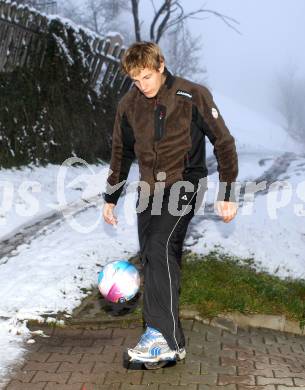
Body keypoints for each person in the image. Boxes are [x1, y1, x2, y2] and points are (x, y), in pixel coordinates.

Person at [102, 41, 238, 364]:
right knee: (157, 259)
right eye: (135, 79)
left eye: (147, 77)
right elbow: (120, 155)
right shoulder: (128, 105)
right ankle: (168, 339)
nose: (142, 85)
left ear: (161, 65)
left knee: (160, 246)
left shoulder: (192, 96)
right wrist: (110, 198)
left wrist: (228, 191)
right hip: (149, 191)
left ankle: (160, 336)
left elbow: (224, 141)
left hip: (185, 183)